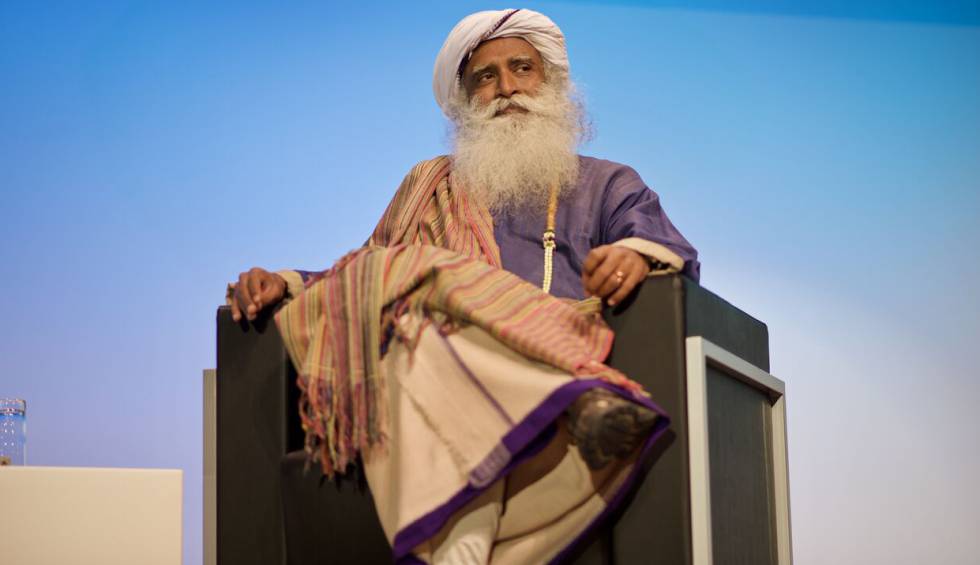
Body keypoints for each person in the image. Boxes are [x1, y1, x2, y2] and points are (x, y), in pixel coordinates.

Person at [228, 9, 698, 564]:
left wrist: (630, 255)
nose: (506, 89)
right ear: (465, 103)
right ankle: (563, 414)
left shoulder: (606, 182)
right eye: (484, 78)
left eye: (522, 69)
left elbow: (664, 246)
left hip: (554, 345)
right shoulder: (429, 186)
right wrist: (285, 284)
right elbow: (369, 270)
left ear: (552, 83)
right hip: (443, 362)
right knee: (411, 314)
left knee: (421, 337)